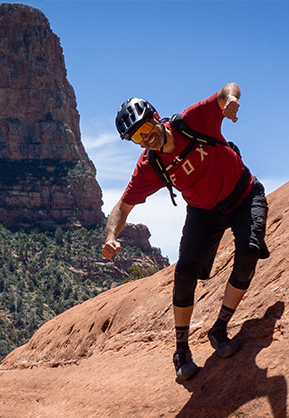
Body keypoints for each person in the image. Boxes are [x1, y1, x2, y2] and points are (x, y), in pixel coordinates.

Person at [102, 85, 270, 384]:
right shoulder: (150, 166)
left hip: (244, 194)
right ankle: (181, 351)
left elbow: (228, 89)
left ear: (155, 116)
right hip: (204, 213)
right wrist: (111, 236)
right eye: (137, 138)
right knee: (185, 273)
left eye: (145, 130)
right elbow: (122, 207)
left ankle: (219, 329)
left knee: (250, 250)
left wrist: (231, 100)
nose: (146, 140)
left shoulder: (192, 122)